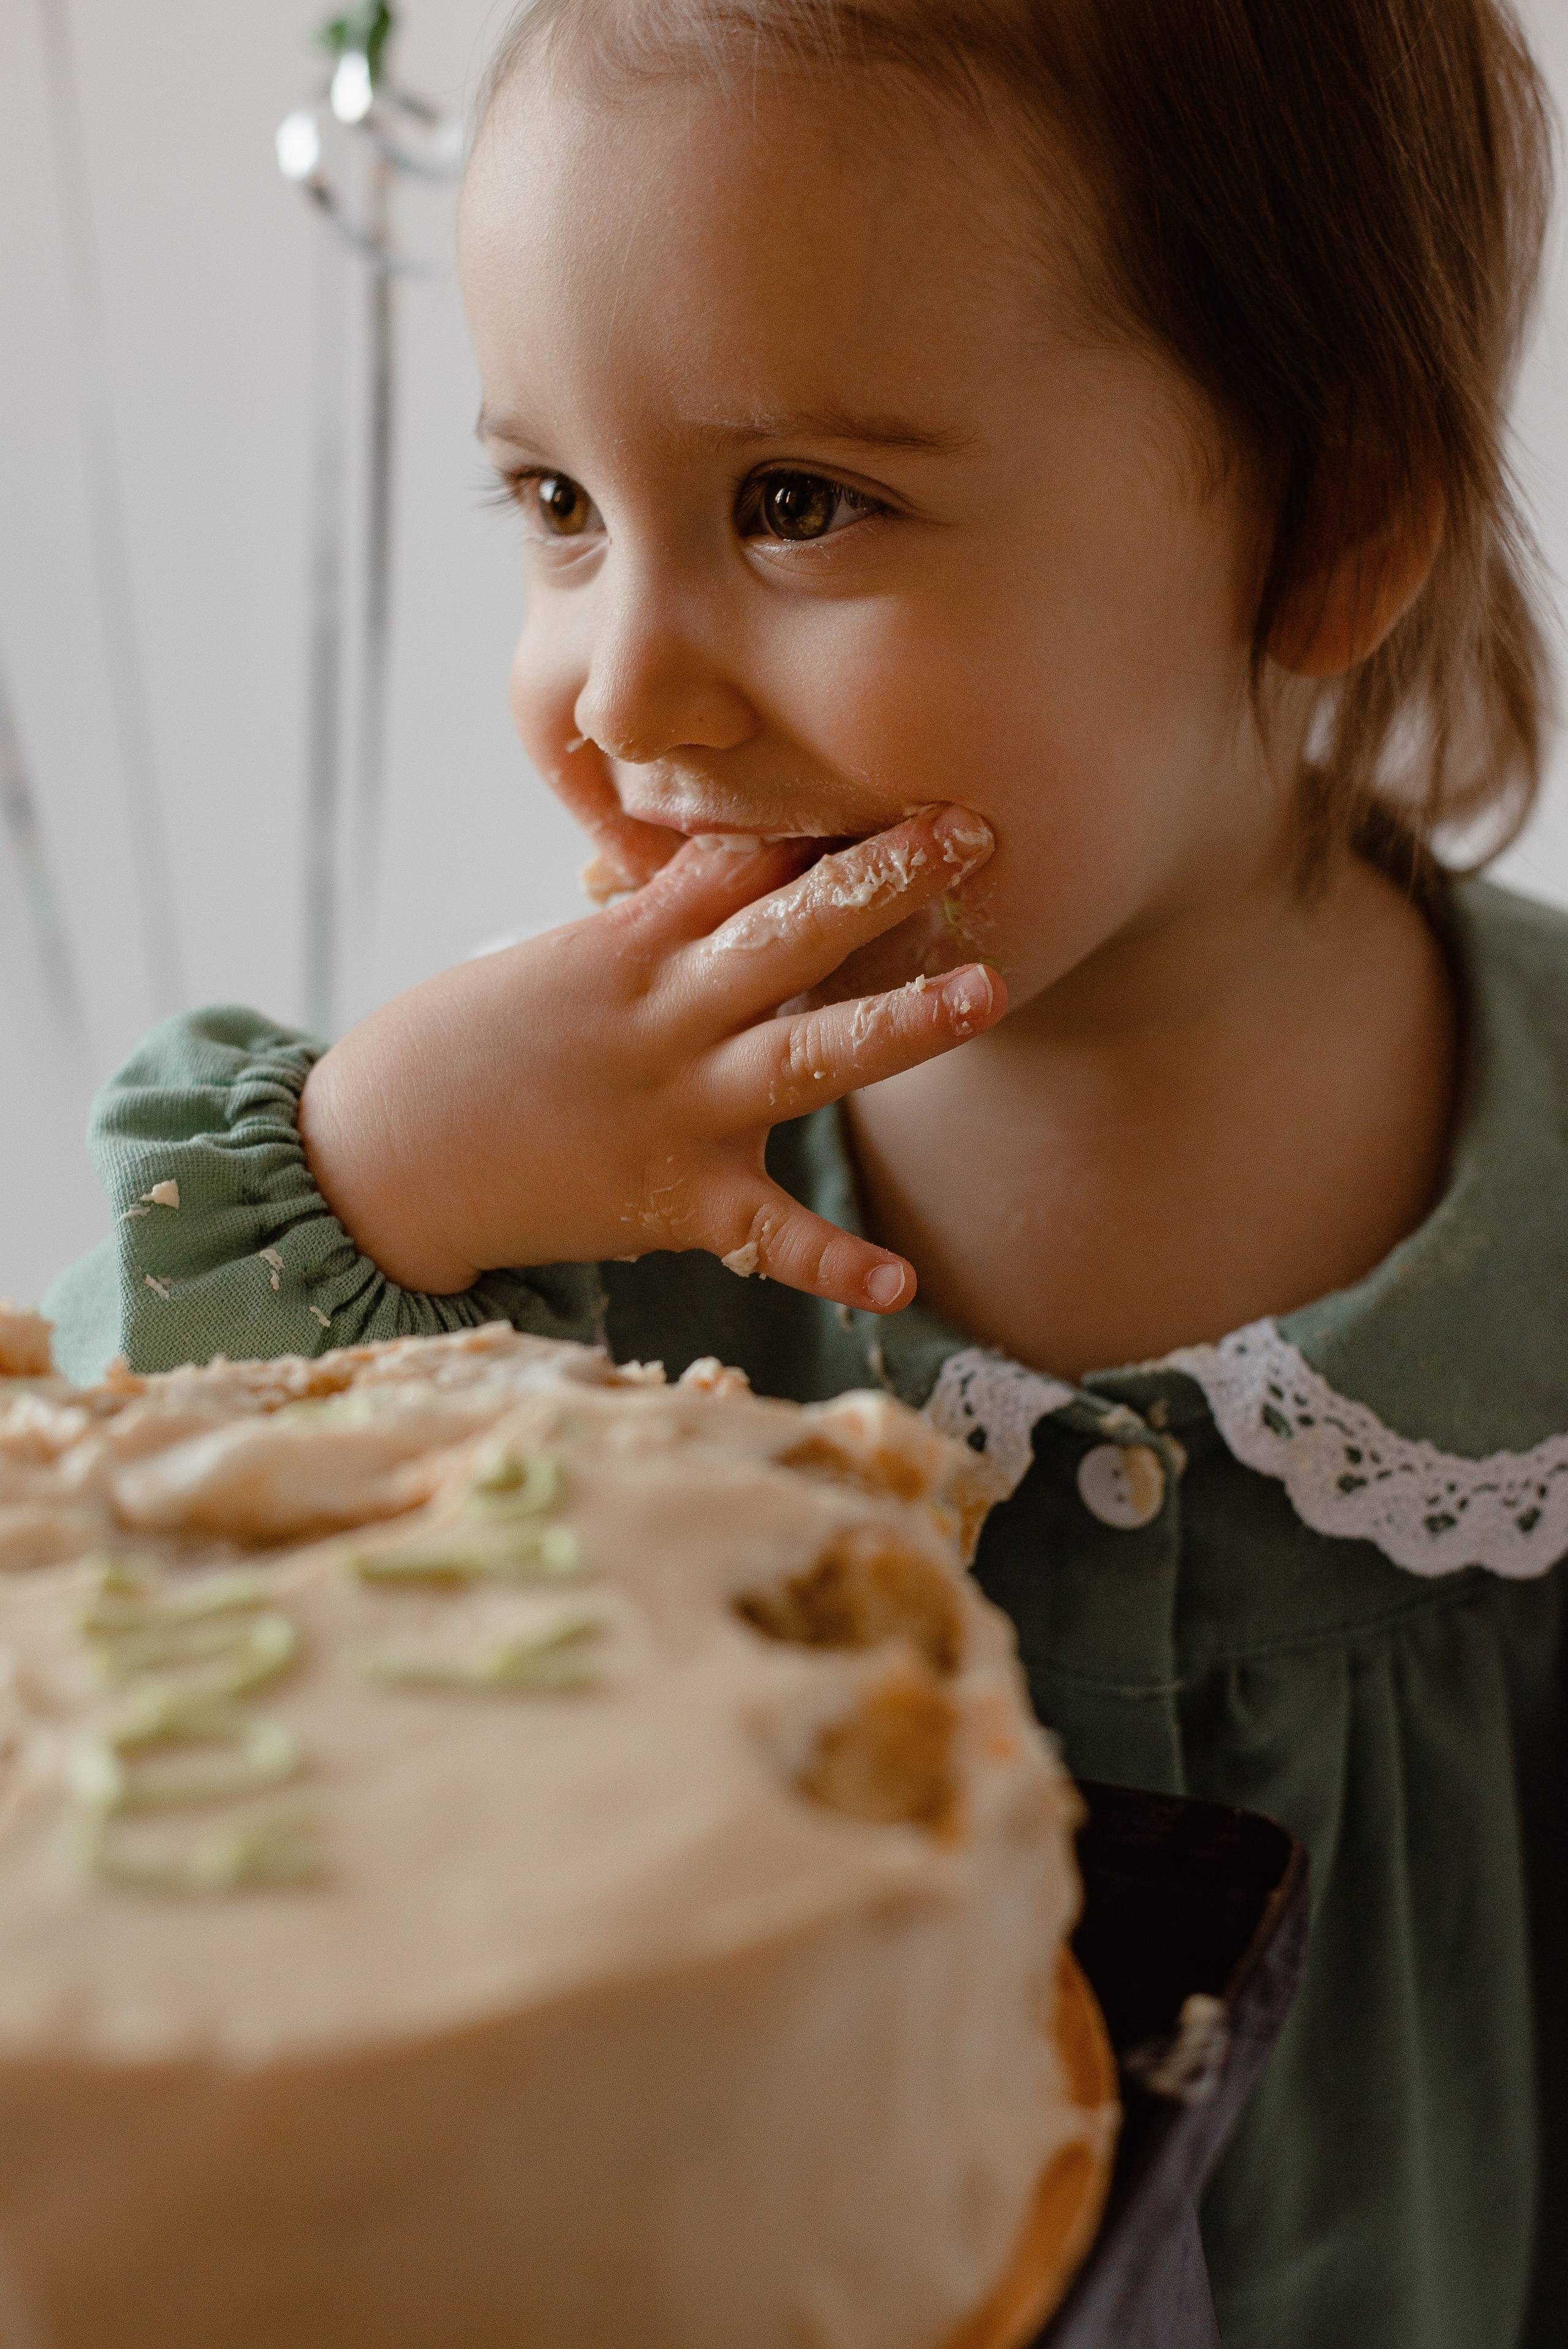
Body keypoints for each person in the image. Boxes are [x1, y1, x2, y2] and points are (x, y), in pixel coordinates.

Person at [44, 0, 1564, 2340]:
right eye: (555, 506)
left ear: (1329, 521)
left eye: (795, 505)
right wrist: (367, 1179)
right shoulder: (538, 1172)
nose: (624, 690)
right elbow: (117, 1579)